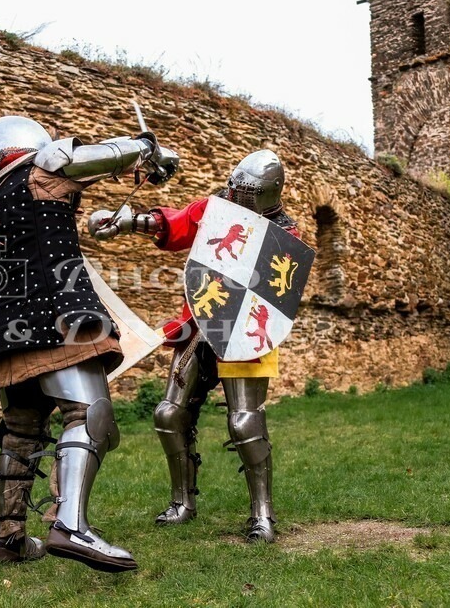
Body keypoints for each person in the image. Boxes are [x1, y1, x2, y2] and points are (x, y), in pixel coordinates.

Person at [0, 115, 178, 572]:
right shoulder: (43, 164)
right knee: (90, 416)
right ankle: (70, 525)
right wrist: (146, 147)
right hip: (59, 318)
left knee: (20, 436)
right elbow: (91, 157)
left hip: (8, 330)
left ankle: (10, 538)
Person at [87, 149, 296, 543]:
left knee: (244, 421)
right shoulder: (216, 209)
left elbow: (273, 289)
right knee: (168, 415)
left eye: (246, 193)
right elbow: (178, 224)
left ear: (267, 193)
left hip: (244, 335)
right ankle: (183, 502)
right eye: (235, 188)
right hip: (198, 324)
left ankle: (262, 514)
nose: (237, 196)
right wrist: (126, 223)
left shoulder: (284, 234)